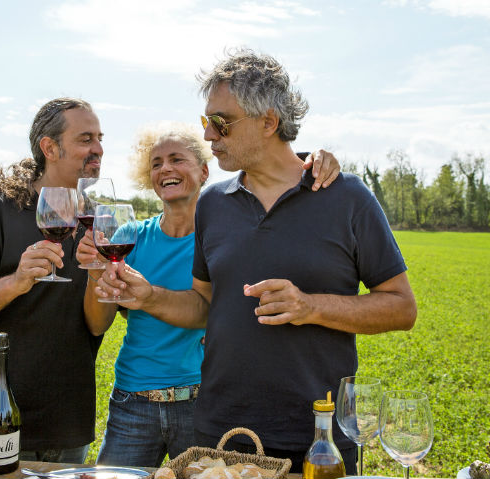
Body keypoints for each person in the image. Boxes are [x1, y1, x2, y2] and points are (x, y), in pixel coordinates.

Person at [94, 49, 417, 474]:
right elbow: (205, 306)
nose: (209, 136)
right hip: (221, 436)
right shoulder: (212, 204)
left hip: (318, 440)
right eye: (206, 122)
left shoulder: (348, 198)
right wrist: (149, 295)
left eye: (221, 122)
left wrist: (312, 306)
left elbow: (401, 307)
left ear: (269, 122)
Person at [77, 122, 341, 467]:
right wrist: (96, 271)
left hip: (202, 403)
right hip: (133, 403)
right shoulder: (129, 237)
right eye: (156, 164)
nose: (165, 169)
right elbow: (97, 326)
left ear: (204, 171)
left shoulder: (227, 238)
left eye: (176, 159)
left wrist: (317, 159)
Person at [0, 98, 104, 464]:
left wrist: (99, 276)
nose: (98, 149)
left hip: (68, 422)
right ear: (49, 147)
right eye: (85, 138)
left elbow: (96, 324)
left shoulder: (96, 219)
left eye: (100, 138)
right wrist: (17, 280)